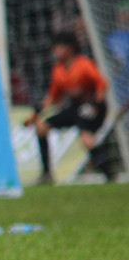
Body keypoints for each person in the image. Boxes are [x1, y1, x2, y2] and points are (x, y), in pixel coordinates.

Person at [26, 31, 112, 183]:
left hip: (92, 107)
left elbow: (102, 84)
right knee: (41, 127)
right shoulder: (58, 70)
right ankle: (47, 174)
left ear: (69, 48)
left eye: (59, 47)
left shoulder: (83, 64)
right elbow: (53, 98)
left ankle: (109, 175)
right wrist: (35, 114)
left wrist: (96, 104)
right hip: (75, 108)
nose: (55, 51)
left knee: (86, 137)